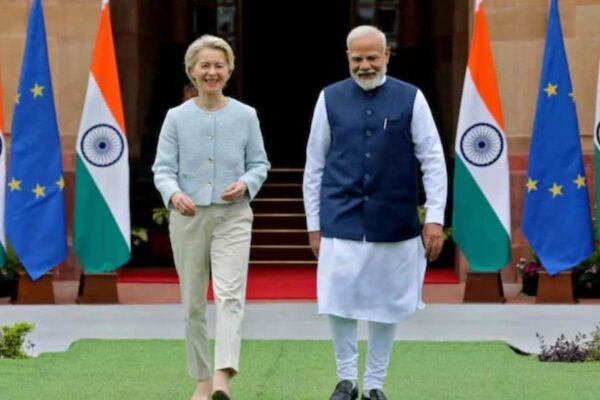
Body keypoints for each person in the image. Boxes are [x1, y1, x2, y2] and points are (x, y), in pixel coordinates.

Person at [302, 25, 447, 400]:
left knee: (387, 303)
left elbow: (433, 159)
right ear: (347, 58)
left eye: (371, 57)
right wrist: (314, 225)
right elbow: (315, 164)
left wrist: (434, 217)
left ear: (386, 56)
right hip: (341, 216)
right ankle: (346, 380)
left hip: (394, 219)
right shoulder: (329, 98)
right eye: (357, 59)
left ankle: (375, 384)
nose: (365, 65)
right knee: (339, 300)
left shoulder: (411, 97)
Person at [153, 34, 269, 400]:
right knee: (193, 304)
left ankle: (223, 375)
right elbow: (162, 169)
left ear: (229, 71)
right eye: (204, 65)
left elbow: (259, 163)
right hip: (188, 220)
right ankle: (202, 380)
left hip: (233, 217)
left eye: (219, 65)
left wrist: (246, 184)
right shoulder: (175, 118)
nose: (212, 72)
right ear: (191, 70)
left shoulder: (246, 115)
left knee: (230, 296)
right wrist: (174, 194)